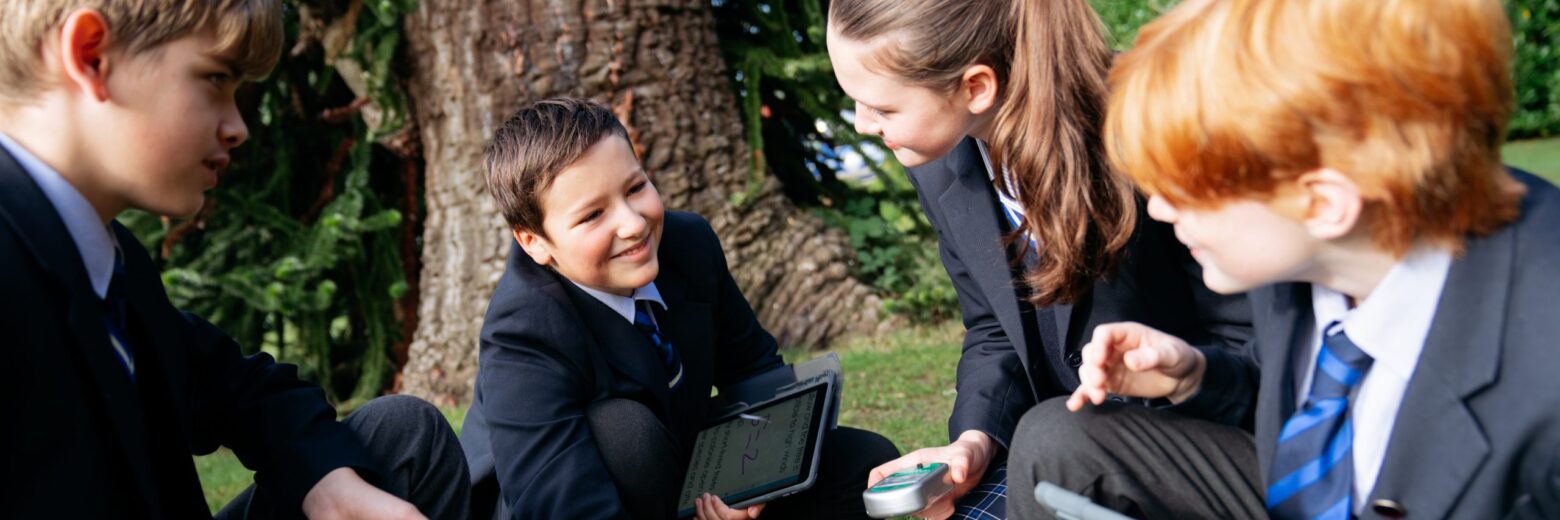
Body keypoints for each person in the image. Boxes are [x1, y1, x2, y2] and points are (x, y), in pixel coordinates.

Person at [1018, 0, 1560, 517]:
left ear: (1324, 202)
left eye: (1186, 188)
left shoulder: (1542, 370)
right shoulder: (1315, 255)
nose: (1159, 210)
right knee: (1060, 440)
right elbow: (1317, 395)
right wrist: (1195, 377)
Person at [0, 1, 469, 518]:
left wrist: (327, 482)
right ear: (91, 56)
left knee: (403, 434)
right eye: (216, 78)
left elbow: (235, 387)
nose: (237, 127)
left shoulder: (109, 258)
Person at [824, 1, 1253, 517]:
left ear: (976, 87)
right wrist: (975, 440)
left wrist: (1178, 380)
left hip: (1196, 440)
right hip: (1048, 443)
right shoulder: (938, 163)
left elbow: (1250, 334)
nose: (861, 124)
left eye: (883, 109)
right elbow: (993, 328)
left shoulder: (1150, 120)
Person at [458, 98, 899, 520]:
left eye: (635, 188)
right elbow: (555, 500)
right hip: (573, 495)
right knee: (625, 433)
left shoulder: (688, 243)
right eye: (592, 215)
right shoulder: (524, 329)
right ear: (533, 242)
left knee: (866, 464)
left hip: (681, 470)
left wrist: (754, 481)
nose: (632, 224)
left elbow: (752, 371)